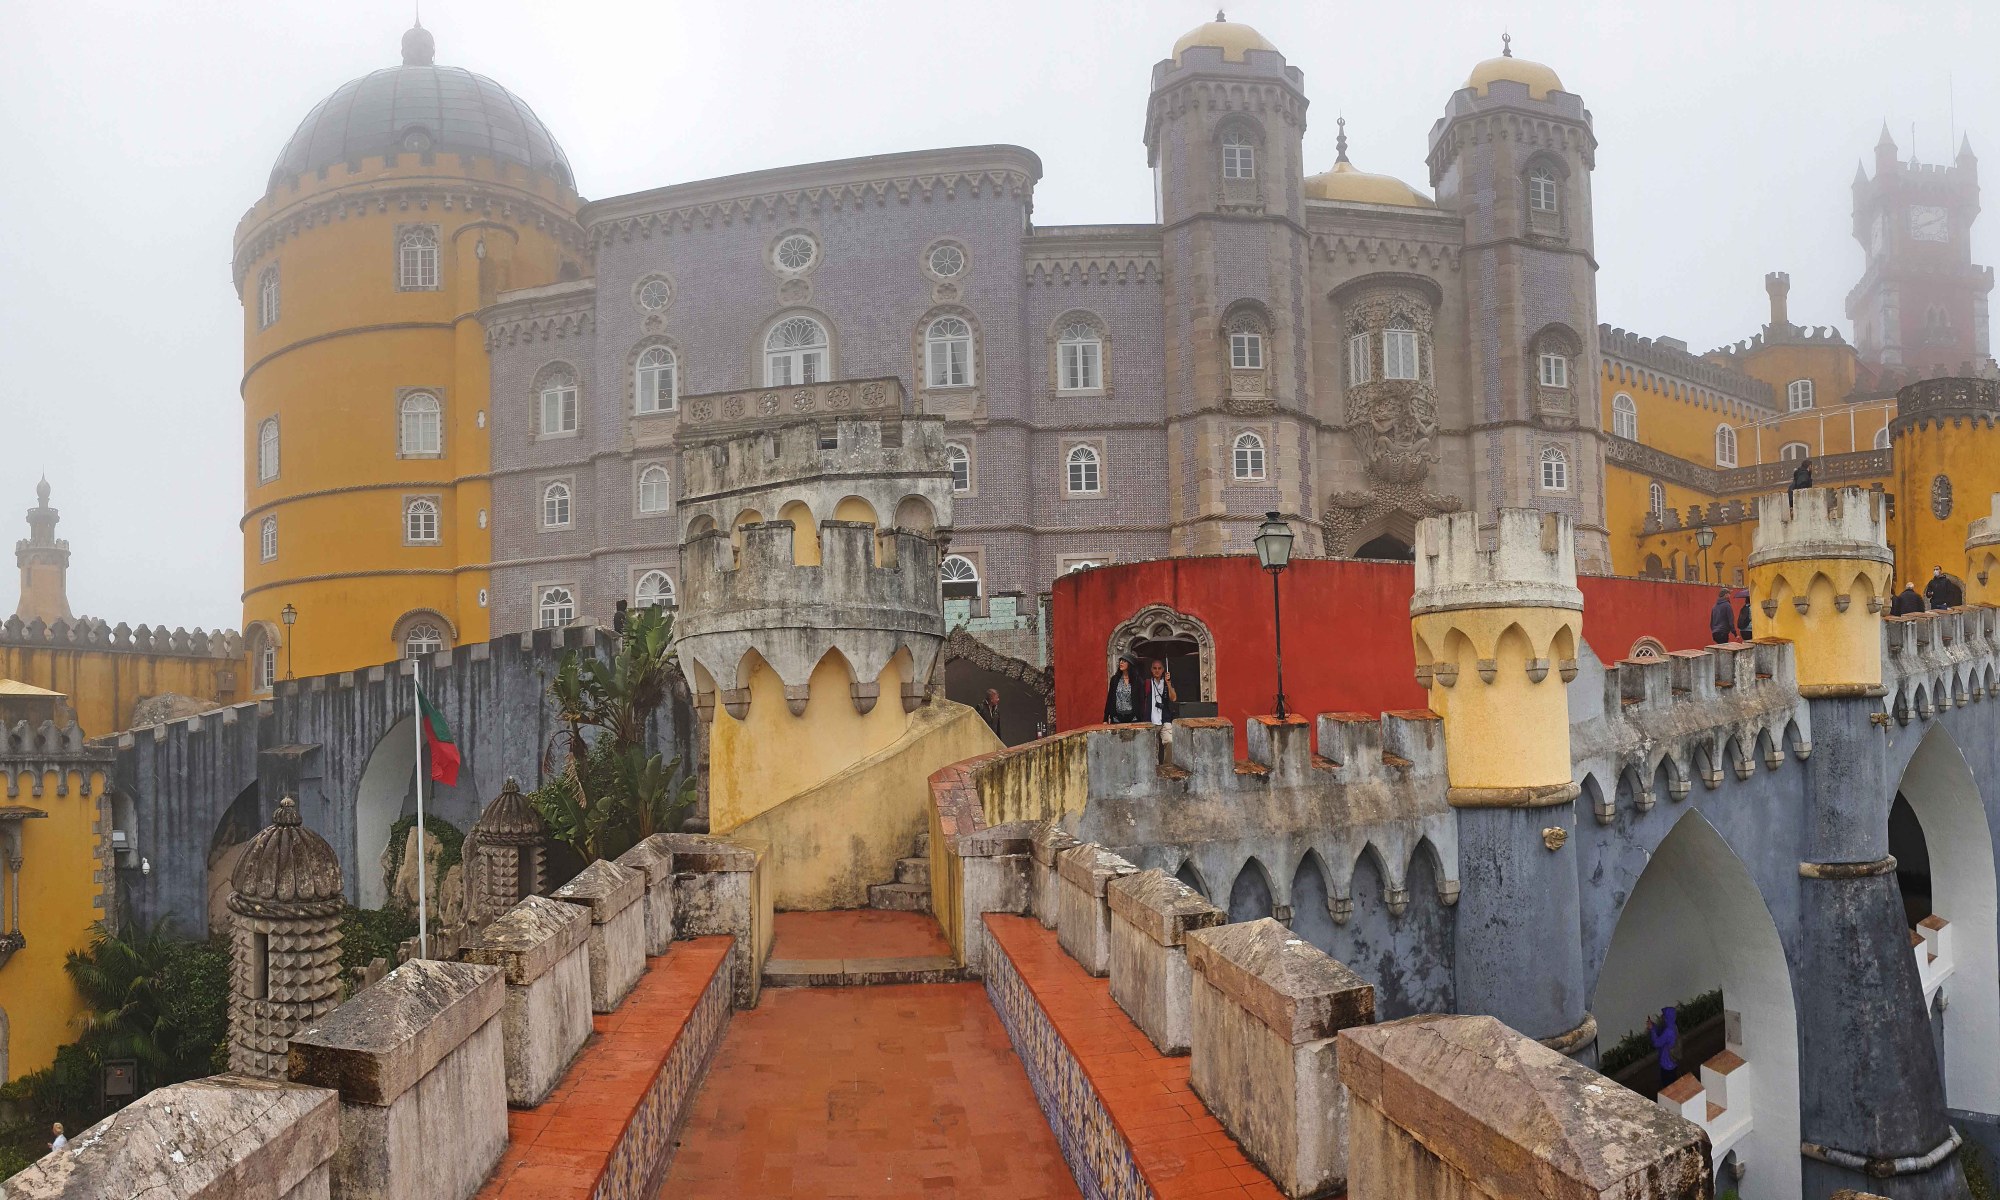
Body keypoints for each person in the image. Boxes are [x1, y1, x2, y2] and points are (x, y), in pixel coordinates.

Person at [1647, 1007, 1681, 1087]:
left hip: (1667, 1063)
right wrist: (1654, 1026)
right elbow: (1661, 1034)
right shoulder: (1673, 1026)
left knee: (1668, 1085)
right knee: (1673, 1082)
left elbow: (1656, 1043)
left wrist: (1652, 1030)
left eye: (1664, 1015)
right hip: (1673, 1062)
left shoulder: (1668, 1031)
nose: (1662, 1016)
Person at [1143, 658, 1179, 726]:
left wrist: (1168, 683)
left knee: (1168, 733)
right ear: (1151, 669)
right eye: (1155, 668)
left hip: (1165, 721)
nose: (1157, 670)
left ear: (1163, 669)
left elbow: (1173, 698)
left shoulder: (1166, 683)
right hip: (1150, 721)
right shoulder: (1147, 683)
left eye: (1159, 668)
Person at [1103, 657, 1138, 724]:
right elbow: (1110, 698)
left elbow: (1140, 700)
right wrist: (1105, 718)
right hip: (1117, 718)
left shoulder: (1136, 680)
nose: (1121, 662)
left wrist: (1140, 716)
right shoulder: (1115, 679)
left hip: (1133, 718)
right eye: (1120, 660)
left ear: (1130, 664)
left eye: (1124, 661)